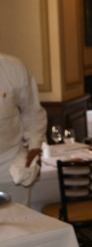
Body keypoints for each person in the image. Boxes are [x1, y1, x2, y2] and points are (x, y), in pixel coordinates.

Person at [0, 52, 47, 206]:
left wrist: (34, 148)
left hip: (10, 168)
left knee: (20, 225)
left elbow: (33, 113)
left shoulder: (13, 68)